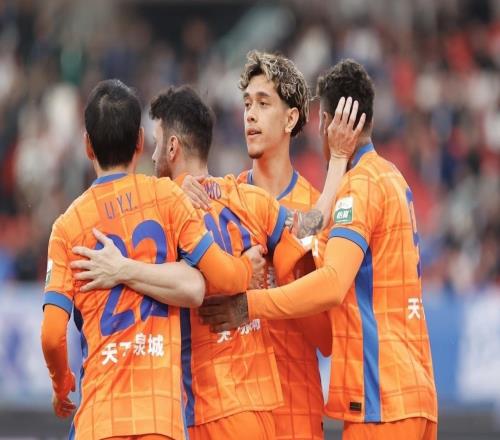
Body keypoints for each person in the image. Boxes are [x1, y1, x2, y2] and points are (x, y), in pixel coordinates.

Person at [71, 84, 361, 439]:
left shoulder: (164, 215)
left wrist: (122, 269)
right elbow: (309, 225)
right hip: (260, 408)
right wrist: (338, 163)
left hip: (207, 407)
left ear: (173, 148)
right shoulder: (248, 199)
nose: (154, 154)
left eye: (158, 143)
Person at [199, 59, 438, 440]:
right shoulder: (223, 198)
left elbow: (328, 330)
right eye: (246, 104)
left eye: (263, 103)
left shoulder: (332, 202)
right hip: (236, 409)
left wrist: (276, 279)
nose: (250, 115)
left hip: (313, 408)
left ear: (296, 118)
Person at [40, 79, 261, 440]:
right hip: (159, 418)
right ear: (141, 142)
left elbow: (52, 336)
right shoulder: (166, 198)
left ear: (87, 145)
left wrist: (61, 383)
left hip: (98, 418)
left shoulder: (67, 227)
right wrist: (248, 266)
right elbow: (222, 278)